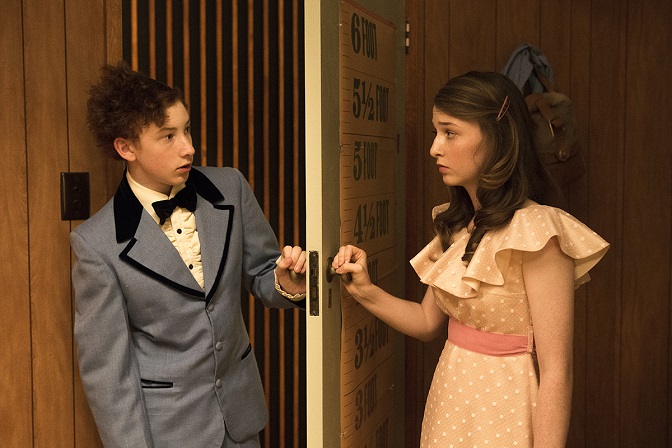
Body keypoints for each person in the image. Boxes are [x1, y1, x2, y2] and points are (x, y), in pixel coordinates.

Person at [332, 71, 609, 448]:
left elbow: (557, 373)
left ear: (497, 138)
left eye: (450, 132)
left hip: (505, 413)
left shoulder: (537, 232)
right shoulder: (459, 225)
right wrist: (364, 290)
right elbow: (427, 322)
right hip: (449, 403)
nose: (435, 148)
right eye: (435, 132)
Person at [70, 61, 306, 448]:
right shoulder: (96, 244)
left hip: (241, 420)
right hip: (170, 433)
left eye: (187, 129)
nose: (188, 147)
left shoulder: (230, 187)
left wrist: (285, 283)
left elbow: (263, 273)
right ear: (126, 147)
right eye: (168, 136)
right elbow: (108, 374)